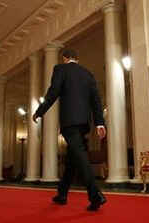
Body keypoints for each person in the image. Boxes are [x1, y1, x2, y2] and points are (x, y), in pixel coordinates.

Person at [33, 49, 107, 211]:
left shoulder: (60, 69)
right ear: (77, 59)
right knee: (72, 159)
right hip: (83, 123)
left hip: (69, 122)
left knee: (79, 156)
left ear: (64, 58)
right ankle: (62, 194)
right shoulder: (88, 73)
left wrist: (39, 111)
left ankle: (95, 195)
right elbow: (96, 100)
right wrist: (100, 123)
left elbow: (53, 92)